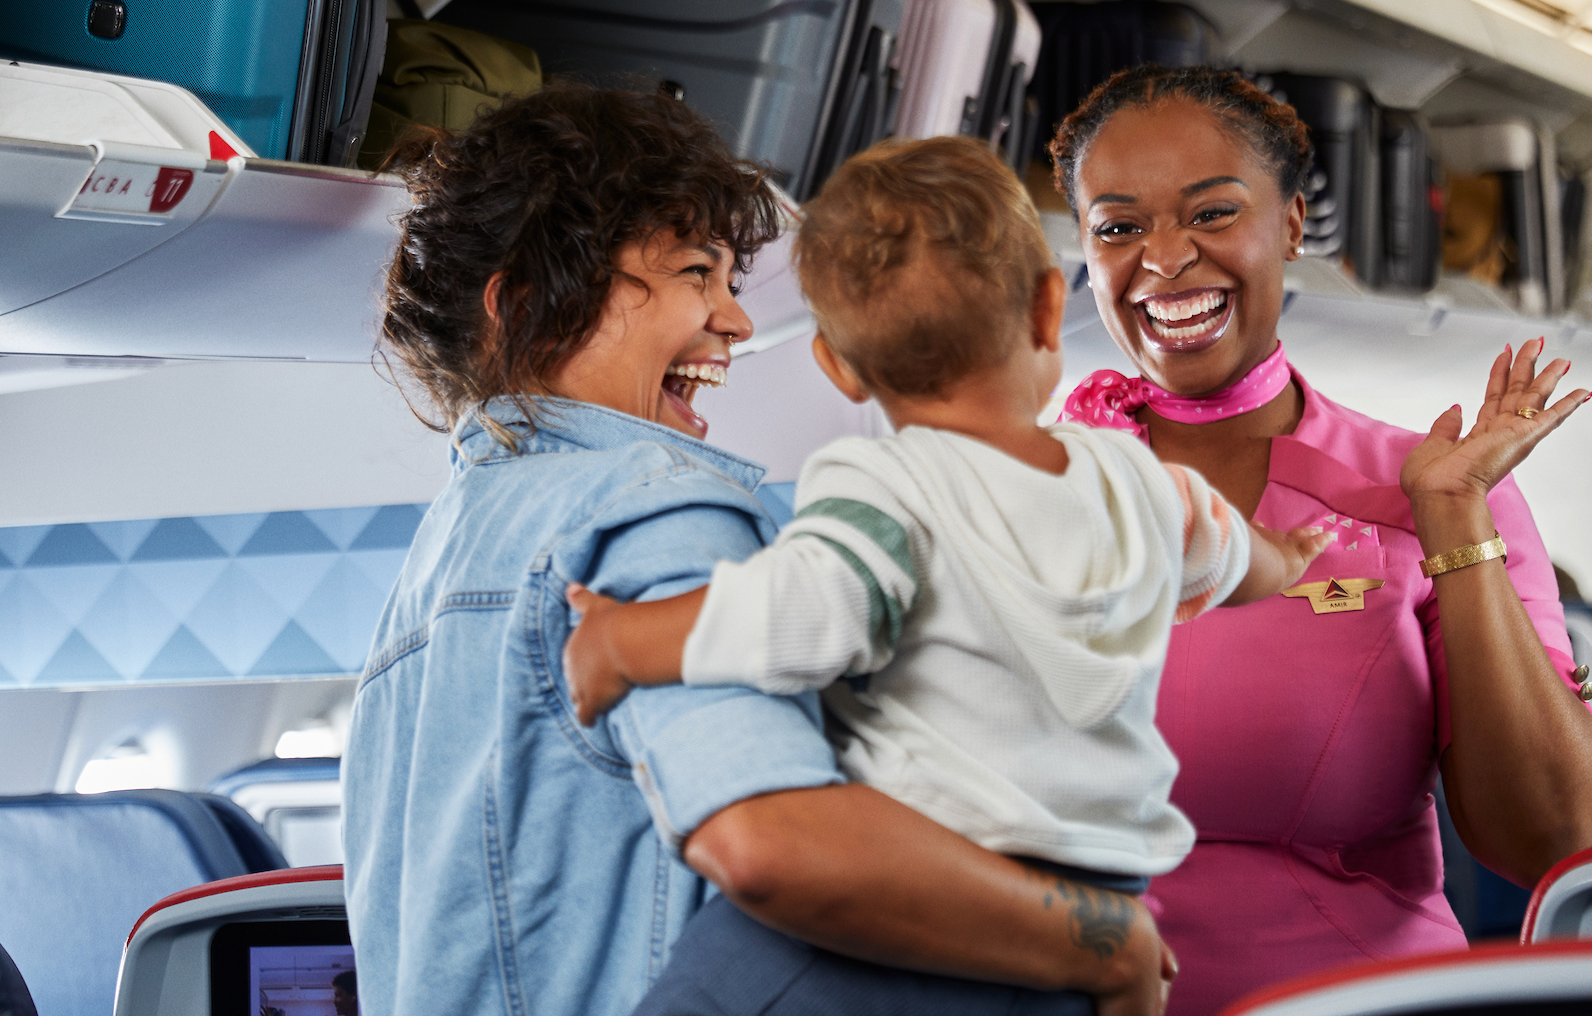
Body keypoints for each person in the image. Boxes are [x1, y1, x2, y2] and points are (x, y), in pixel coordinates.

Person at [344, 83, 1169, 1016]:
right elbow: (772, 846)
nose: (735, 320)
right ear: (529, 305)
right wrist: (1105, 943)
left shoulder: (427, 575)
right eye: (697, 273)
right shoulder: (649, 509)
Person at [559, 135, 1339, 895]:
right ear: (1047, 309)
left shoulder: (888, 489)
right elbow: (1228, 553)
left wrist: (620, 642)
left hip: (951, 871)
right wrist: (1287, 555)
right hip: (1112, 875)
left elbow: (797, 614)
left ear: (838, 368)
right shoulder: (1136, 478)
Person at [1048, 65, 1592, 1015]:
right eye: (1118, 228)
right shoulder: (1028, 494)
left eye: (1212, 213)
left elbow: (1549, 836)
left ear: (1294, 225)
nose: (1165, 257)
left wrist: (1454, 523)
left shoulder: (1429, 486)